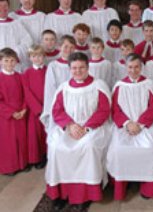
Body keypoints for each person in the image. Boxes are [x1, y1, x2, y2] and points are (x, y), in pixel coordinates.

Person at [44, 52, 111, 210]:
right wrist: (69, 125)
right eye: (74, 68)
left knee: (88, 147)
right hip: (69, 127)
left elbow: (103, 110)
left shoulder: (99, 85)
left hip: (93, 128)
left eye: (81, 67)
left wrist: (86, 127)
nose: (78, 71)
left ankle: (85, 195)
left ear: (88, 67)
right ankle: (59, 193)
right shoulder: (64, 88)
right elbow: (57, 110)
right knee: (56, 147)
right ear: (69, 69)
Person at [107, 53, 153, 200]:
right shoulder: (120, 86)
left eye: (136, 67)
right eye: (130, 67)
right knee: (119, 150)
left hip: (144, 126)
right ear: (126, 67)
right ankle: (123, 185)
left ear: (141, 67)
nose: (133, 70)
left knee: (150, 149)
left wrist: (140, 124)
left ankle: (147, 187)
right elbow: (115, 109)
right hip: (124, 126)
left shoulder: (149, 84)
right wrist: (127, 123)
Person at [0, 48, 28, 175]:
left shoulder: (20, 77)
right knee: (8, 142)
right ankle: (9, 168)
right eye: (6, 60)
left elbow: (25, 95)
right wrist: (11, 113)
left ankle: (22, 164)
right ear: (1, 62)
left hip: (21, 112)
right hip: (6, 115)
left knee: (21, 139)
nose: (10, 63)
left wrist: (23, 109)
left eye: (12, 61)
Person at [42, 35, 76, 128]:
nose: (68, 50)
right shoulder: (53, 66)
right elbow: (50, 89)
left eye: (71, 47)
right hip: (59, 105)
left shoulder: (77, 64)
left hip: (75, 104)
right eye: (65, 46)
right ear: (59, 47)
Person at [22, 45, 47, 169]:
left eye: (39, 55)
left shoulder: (49, 70)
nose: (37, 58)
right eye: (34, 56)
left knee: (47, 133)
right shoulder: (26, 73)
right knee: (35, 135)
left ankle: (48, 155)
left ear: (44, 56)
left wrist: (47, 107)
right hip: (35, 110)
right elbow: (26, 92)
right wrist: (38, 108)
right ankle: (37, 158)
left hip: (47, 108)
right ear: (30, 58)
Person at [0, 0, 33, 69]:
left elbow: (27, 41)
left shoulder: (16, 24)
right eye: (0, 6)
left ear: (8, 7)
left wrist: (15, 54)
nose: (3, 8)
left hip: (15, 63)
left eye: (5, 5)